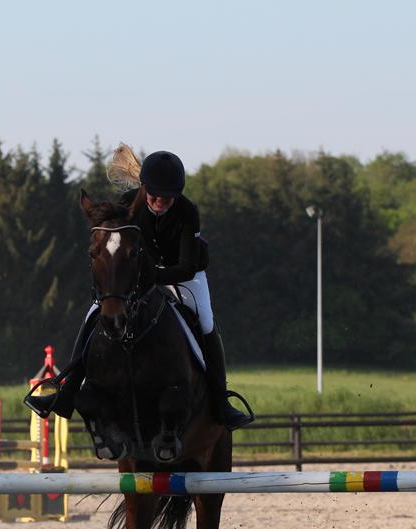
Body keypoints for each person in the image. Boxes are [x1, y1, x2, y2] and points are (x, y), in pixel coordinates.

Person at [27, 150, 252, 431]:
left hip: (184, 275)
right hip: (137, 275)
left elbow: (185, 266)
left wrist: (151, 276)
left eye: (166, 198)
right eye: (154, 196)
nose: (159, 202)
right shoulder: (129, 203)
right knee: (93, 315)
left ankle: (221, 401)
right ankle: (66, 393)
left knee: (206, 323)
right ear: (144, 190)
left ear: (177, 195)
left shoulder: (187, 212)